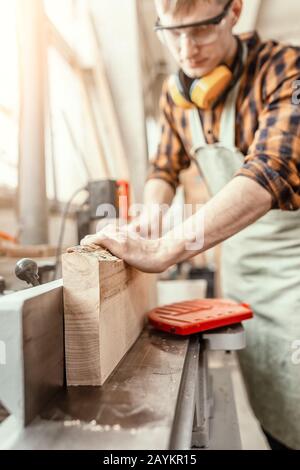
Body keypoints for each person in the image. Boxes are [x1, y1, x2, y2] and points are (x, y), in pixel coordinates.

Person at [80, 0, 300, 450]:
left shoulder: (285, 70)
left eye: (200, 30)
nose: (186, 49)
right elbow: (164, 167)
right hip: (244, 277)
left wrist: (166, 250)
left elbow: (273, 169)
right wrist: (151, 215)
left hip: (294, 274)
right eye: (172, 32)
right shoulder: (176, 95)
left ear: (234, 12)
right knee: (273, 408)